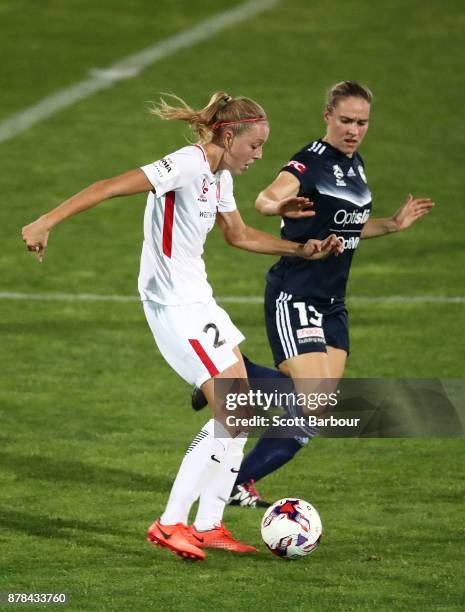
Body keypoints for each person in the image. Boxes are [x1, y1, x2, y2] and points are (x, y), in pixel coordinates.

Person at [22, 91, 343, 560]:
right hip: (173, 305)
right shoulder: (189, 164)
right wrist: (45, 221)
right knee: (232, 415)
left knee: (244, 411)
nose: (259, 156)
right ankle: (170, 522)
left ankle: (209, 524)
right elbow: (110, 185)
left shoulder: (220, 176)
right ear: (229, 135)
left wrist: (302, 249)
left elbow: (238, 234)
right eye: (254, 146)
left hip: (201, 301)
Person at [191, 81, 435, 508]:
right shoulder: (310, 162)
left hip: (332, 303)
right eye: (345, 120)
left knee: (316, 411)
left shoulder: (354, 164)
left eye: (362, 122)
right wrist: (275, 207)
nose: (354, 129)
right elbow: (268, 198)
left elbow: (347, 225)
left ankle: (235, 477)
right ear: (327, 116)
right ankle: (223, 373)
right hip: (297, 292)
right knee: (313, 400)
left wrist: (393, 224)